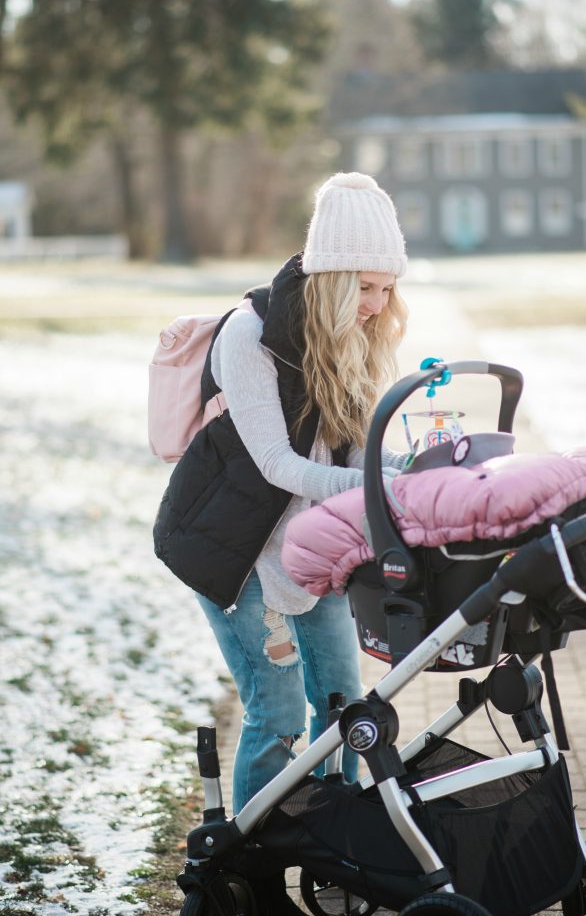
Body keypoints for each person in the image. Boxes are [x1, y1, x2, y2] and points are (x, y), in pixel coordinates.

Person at [154, 171, 409, 816]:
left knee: (347, 706)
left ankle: (340, 847)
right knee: (278, 712)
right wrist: (376, 487)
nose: (377, 305)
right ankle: (249, 870)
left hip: (308, 550)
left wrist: (410, 468)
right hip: (235, 551)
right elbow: (276, 464)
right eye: (365, 287)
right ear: (331, 278)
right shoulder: (249, 333)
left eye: (386, 289)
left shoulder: (354, 338)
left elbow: (356, 449)